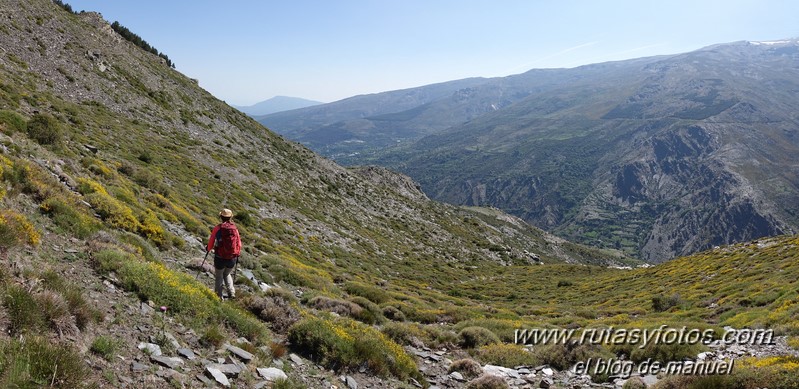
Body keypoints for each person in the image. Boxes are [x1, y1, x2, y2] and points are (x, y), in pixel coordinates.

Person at [206, 208, 241, 299]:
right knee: (226, 274)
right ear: (230, 217)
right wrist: (237, 253)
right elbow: (239, 243)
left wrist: (208, 249)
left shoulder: (218, 228)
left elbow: (212, 241)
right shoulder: (235, 229)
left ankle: (219, 297)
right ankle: (232, 292)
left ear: (221, 217)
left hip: (220, 257)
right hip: (232, 257)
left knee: (219, 276)